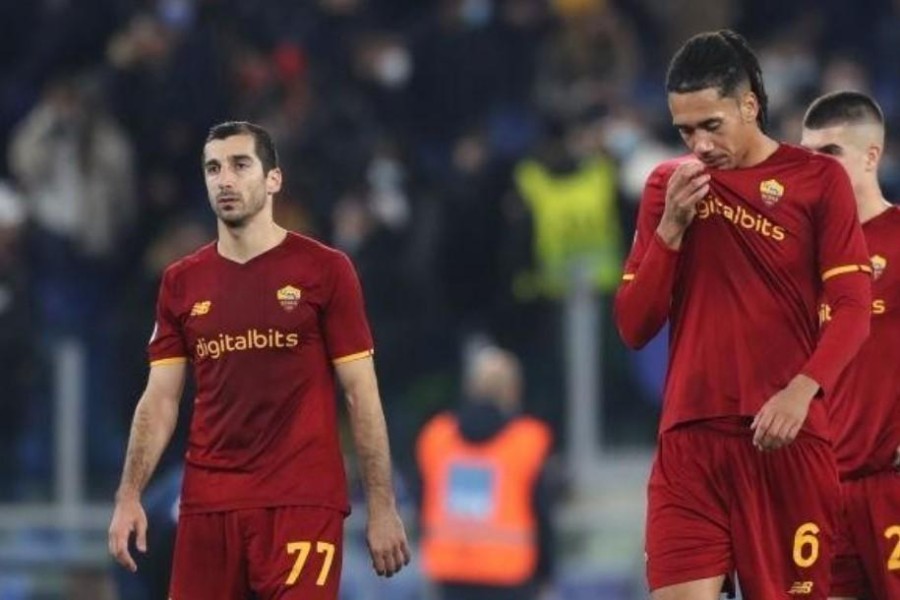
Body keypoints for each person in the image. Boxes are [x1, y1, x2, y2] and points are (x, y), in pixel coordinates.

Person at [614, 30, 873, 600]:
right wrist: (671, 230)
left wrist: (801, 391)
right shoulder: (669, 188)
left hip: (784, 440)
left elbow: (854, 309)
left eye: (712, 126)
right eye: (685, 131)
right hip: (689, 444)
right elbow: (634, 326)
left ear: (750, 105)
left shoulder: (817, 180)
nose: (700, 145)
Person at [108, 121, 411, 600]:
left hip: (300, 501)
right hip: (208, 505)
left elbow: (360, 392)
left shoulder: (325, 270)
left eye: (240, 165)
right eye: (213, 168)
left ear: (273, 180)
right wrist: (129, 495)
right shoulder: (181, 283)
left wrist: (381, 504)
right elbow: (161, 398)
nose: (224, 180)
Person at [801, 91, 900, 600]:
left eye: (830, 153)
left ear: (870, 155)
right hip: (821, 493)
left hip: (891, 487)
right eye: (807, 155)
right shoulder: (795, 260)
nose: (815, 168)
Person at [416, 345, 556, 600]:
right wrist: (546, 576)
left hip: (450, 574)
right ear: (512, 391)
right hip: (511, 575)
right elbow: (543, 514)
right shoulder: (528, 441)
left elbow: (422, 500)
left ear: (470, 388)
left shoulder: (436, 437)